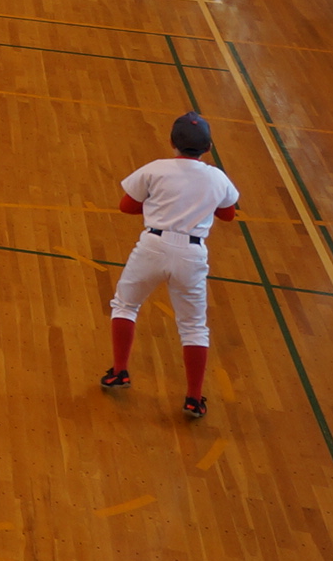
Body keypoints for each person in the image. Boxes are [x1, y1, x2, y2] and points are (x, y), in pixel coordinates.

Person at [101, 111, 241, 418]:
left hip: (153, 245)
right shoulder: (218, 178)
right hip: (193, 254)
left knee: (125, 305)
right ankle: (193, 398)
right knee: (193, 327)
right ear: (209, 146)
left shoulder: (156, 169)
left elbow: (127, 206)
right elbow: (228, 214)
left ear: (172, 142)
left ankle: (120, 372)